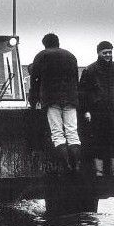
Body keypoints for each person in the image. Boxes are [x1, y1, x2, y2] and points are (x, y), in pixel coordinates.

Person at [28, 33, 82, 174]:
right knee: (72, 133)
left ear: (45, 44)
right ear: (58, 42)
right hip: (71, 99)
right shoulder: (71, 56)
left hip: (51, 100)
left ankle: (66, 166)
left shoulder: (41, 56)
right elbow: (76, 81)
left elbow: (35, 81)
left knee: (57, 134)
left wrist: (33, 101)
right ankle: (76, 165)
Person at [79, 41, 114, 176]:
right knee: (97, 141)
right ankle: (98, 171)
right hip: (96, 113)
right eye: (105, 52)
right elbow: (82, 93)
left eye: (110, 52)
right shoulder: (89, 70)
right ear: (98, 53)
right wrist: (86, 110)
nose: (108, 55)